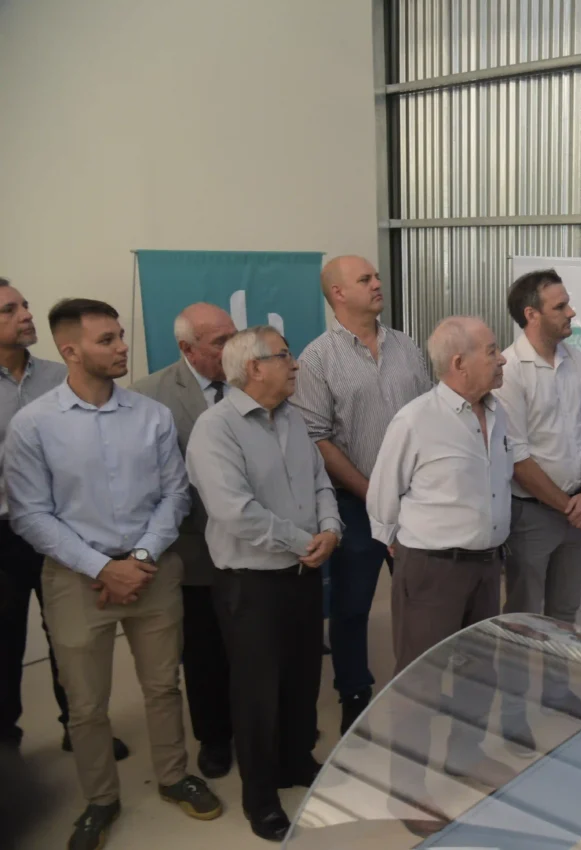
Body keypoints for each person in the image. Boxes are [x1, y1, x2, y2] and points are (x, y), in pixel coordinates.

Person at [5, 299, 221, 850]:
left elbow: (175, 494)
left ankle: (173, 776)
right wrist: (103, 567)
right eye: (107, 340)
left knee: (162, 686)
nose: (122, 347)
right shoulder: (34, 424)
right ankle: (100, 799)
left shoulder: (151, 415)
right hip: (75, 579)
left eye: (121, 335)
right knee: (85, 705)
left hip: (152, 570)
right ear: (70, 351)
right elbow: (30, 514)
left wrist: (140, 558)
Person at [185, 327, 341, 842]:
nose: (295, 364)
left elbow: (320, 481)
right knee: (257, 692)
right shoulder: (216, 428)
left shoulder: (292, 418)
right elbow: (234, 510)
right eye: (284, 355)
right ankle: (260, 796)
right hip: (250, 584)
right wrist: (304, 540)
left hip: (303, 573)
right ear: (254, 367)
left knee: (302, 677)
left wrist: (331, 528)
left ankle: (296, 761)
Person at [367, 316, 515, 788]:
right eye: (491, 351)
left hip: (486, 567)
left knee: (479, 671)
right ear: (458, 362)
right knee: (420, 680)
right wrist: (407, 555)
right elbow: (382, 498)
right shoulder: (415, 420)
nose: (502, 358)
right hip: (432, 570)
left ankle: (465, 758)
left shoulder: (498, 414)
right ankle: (408, 788)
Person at [292, 255, 432, 733]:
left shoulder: (407, 346)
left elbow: (430, 416)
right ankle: (354, 693)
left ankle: (422, 687)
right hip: (356, 503)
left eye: (376, 276)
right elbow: (316, 437)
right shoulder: (316, 359)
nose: (377, 283)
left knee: (420, 604)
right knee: (351, 607)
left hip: (416, 502)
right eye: (365, 278)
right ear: (337, 293)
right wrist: (373, 494)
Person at [0, 280, 131, 762]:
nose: (25, 314)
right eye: (9, 310)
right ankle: (6, 739)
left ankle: (80, 725)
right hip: (4, 531)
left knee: (71, 636)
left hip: (66, 529)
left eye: (24, 305)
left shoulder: (62, 376)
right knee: (5, 639)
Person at [492, 270, 581, 755]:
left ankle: (557, 692)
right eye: (560, 306)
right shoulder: (510, 371)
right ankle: (513, 714)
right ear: (531, 314)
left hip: (579, 507)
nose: (571, 312)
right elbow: (517, 458)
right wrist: (568, 506)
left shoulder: (579, 361)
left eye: (568, 303)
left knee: (564, 612)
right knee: (522, 618)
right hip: (532, 515)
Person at [132, 303, 237, 780]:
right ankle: (214, 736)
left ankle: (264, 723)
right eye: (219, 342)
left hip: (258, 547)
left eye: (233, 336)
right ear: (187, 349)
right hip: (194, 549)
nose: (232, 349)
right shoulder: (148, 396)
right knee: (204, 649)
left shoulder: (252, 379)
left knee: (255, 645)